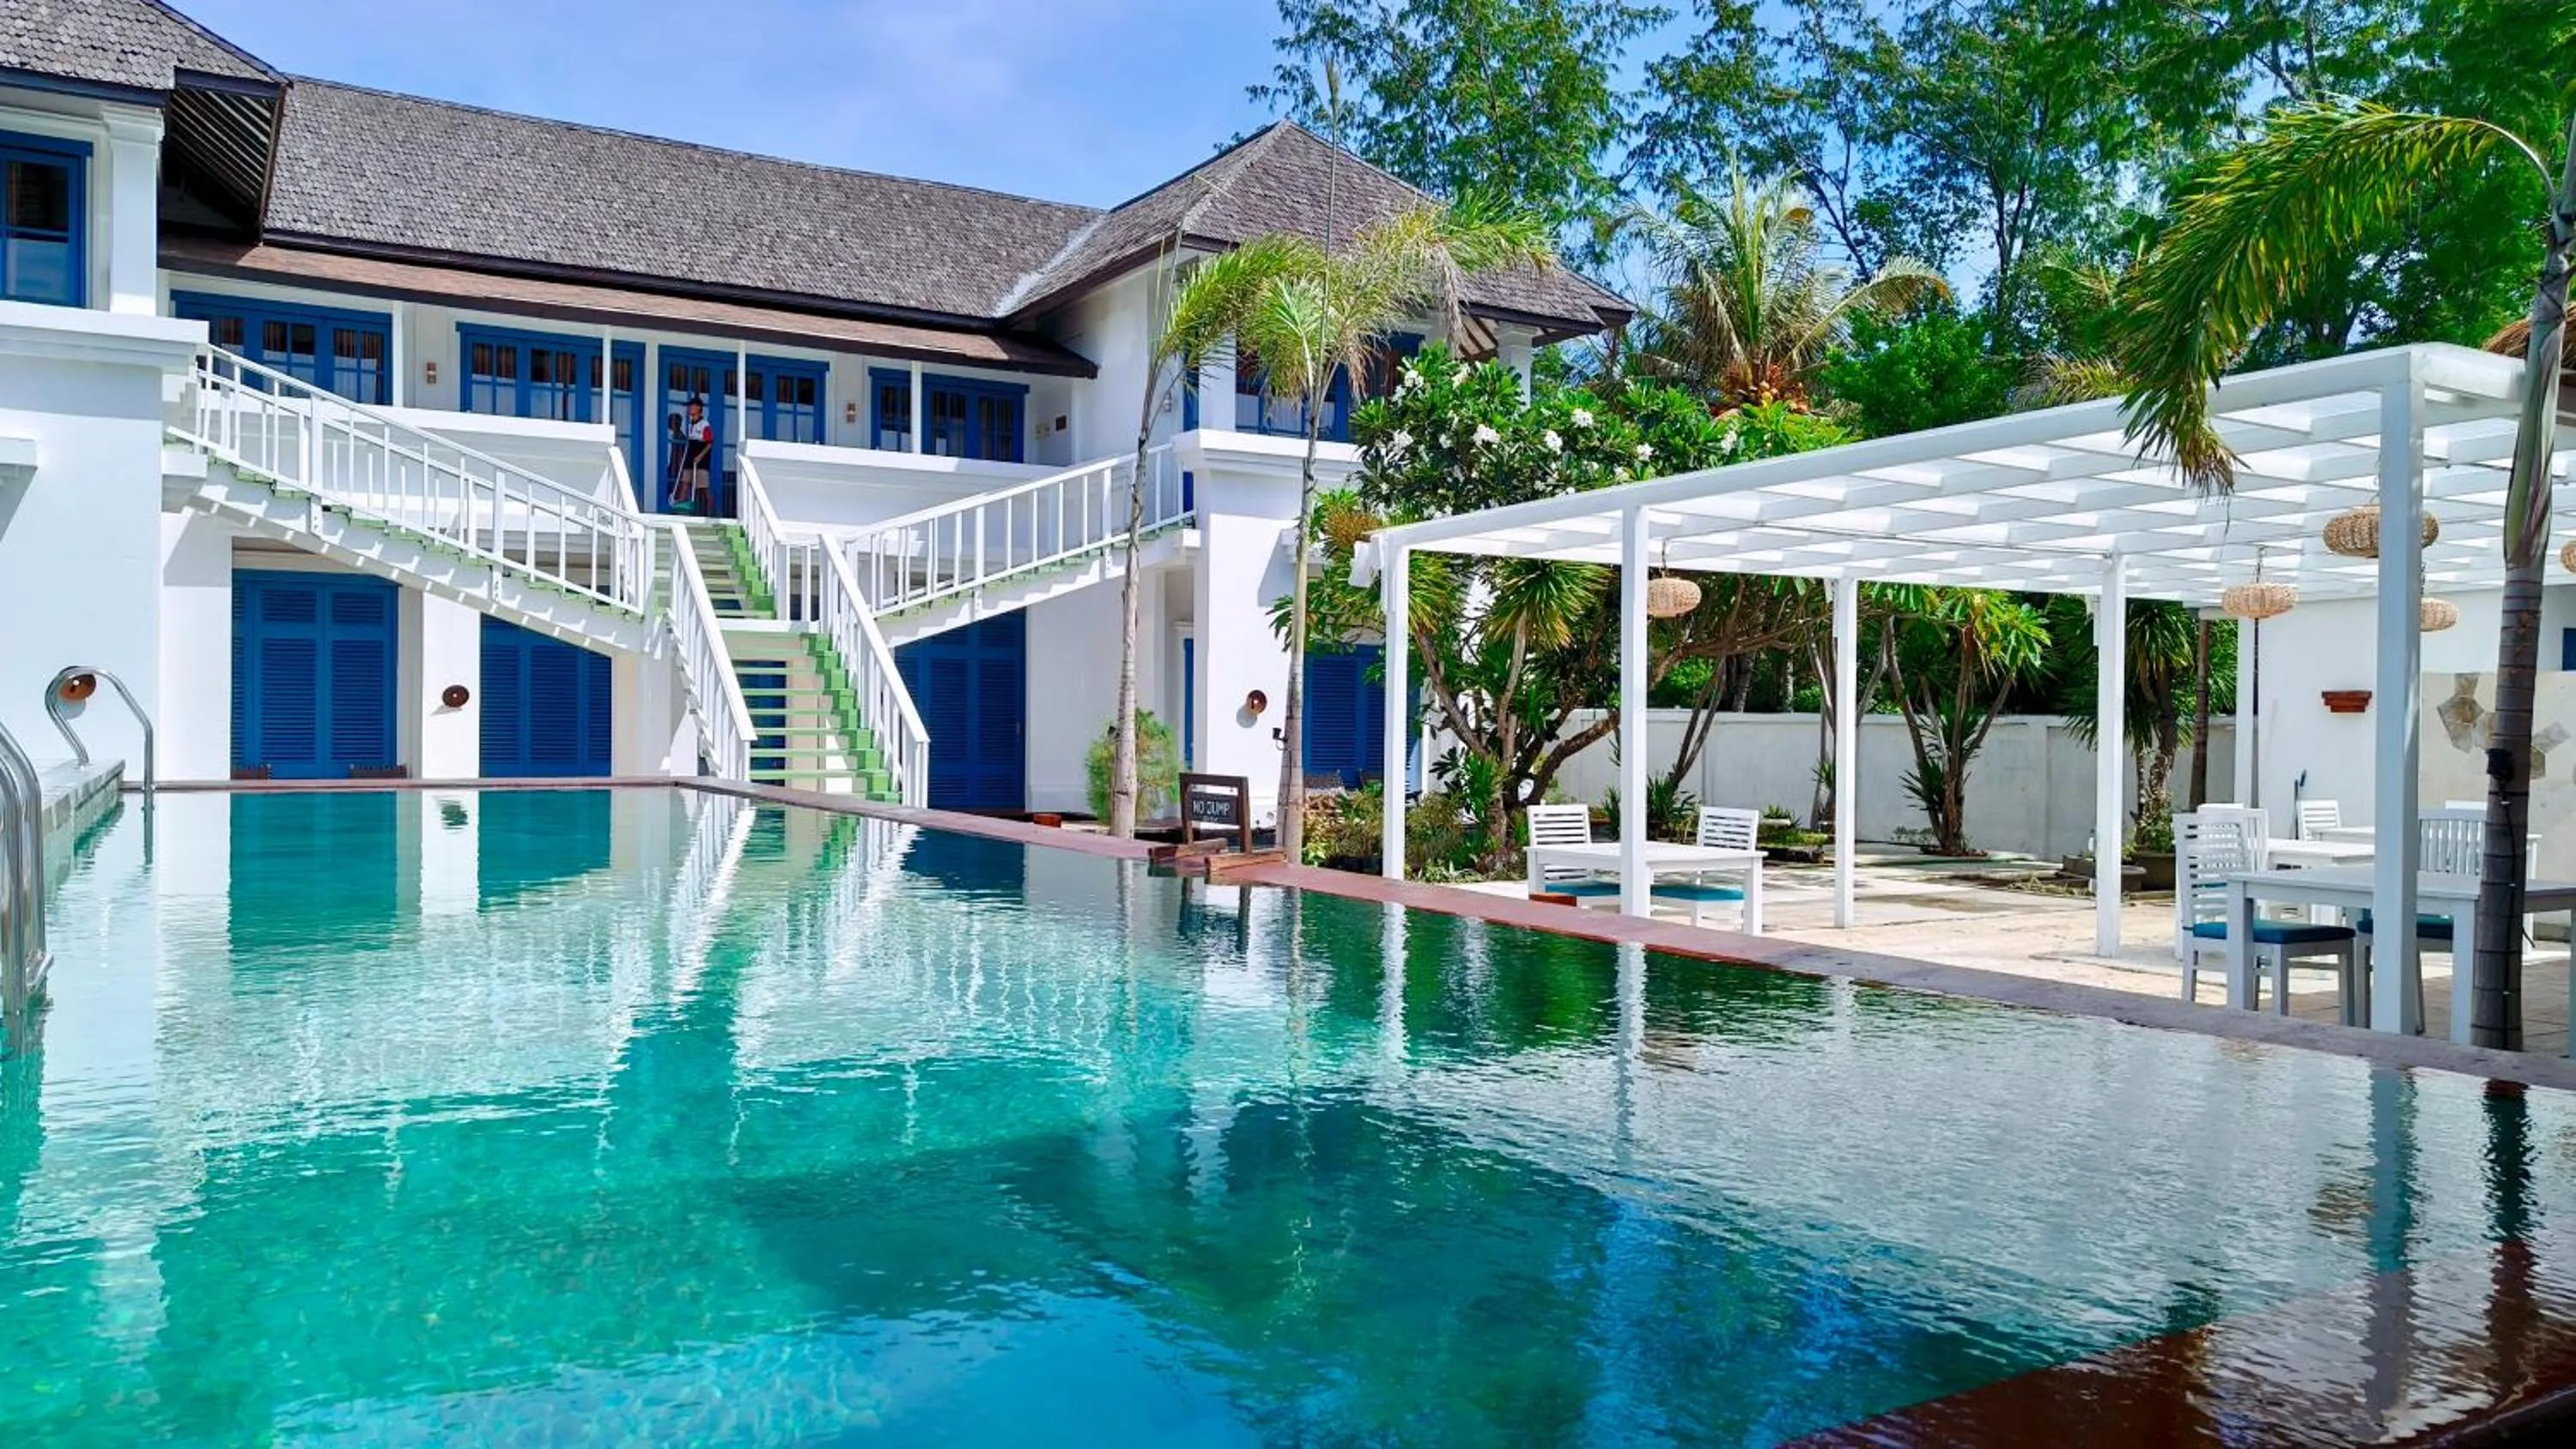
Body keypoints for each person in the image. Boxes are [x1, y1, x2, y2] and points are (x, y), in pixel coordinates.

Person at [671, 397, 714, 514]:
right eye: (689, 406)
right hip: (689, 459)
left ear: (698, 408)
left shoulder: (704, 425)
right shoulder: (691, 425)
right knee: (684, 482)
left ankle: (713, 512)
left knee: (704, 488)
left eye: (691, 406)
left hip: (701, 461)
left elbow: (710, 443)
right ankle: (680, 509)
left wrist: (700, 456)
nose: (689, 409)